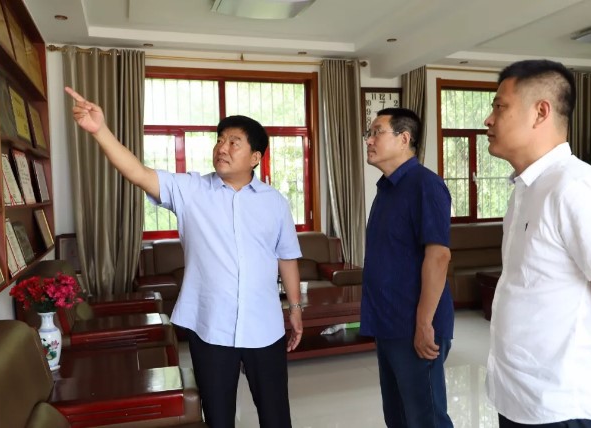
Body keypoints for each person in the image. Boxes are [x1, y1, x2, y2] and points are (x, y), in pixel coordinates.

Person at [65, 87, 304, 428]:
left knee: (276, 414)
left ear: (255, 157)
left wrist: (295, 308)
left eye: (234, 142)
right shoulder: (191, 190)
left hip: (264, 327)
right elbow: (137, 172)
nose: (222, 147)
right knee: (218, 417)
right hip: (210, 326)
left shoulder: (275, 202)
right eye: (219, 140)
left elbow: (287, 257)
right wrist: (99, 130)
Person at [484, 59, 591, 427]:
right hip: (519, 397)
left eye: (500, 106)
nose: (489, 119)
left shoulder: (578, 187)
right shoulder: (526, 189)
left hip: (562, 406)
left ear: (541, 112)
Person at [361, 107, 455, 427]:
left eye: (377, 132)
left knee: (425, 418)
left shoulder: (425, 185)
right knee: (398, 417)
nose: (369, 140)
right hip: (388, 322)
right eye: (369, 134)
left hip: (414, 323)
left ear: (404, 139)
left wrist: (424, 323)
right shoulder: (386, 188)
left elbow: (438, 256)